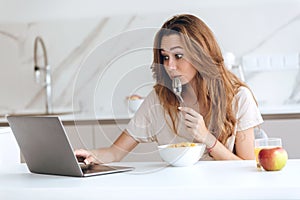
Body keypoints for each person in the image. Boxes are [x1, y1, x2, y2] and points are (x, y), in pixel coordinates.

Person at [75, 14, 263, 164]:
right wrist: (89, 155)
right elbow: (115, 153)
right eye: (165, 57)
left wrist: (207, 138)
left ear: (201, 55)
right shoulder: (160, 99)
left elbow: (246, 168)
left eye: (178, 56)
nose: (170, 66)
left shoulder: (238, 98)